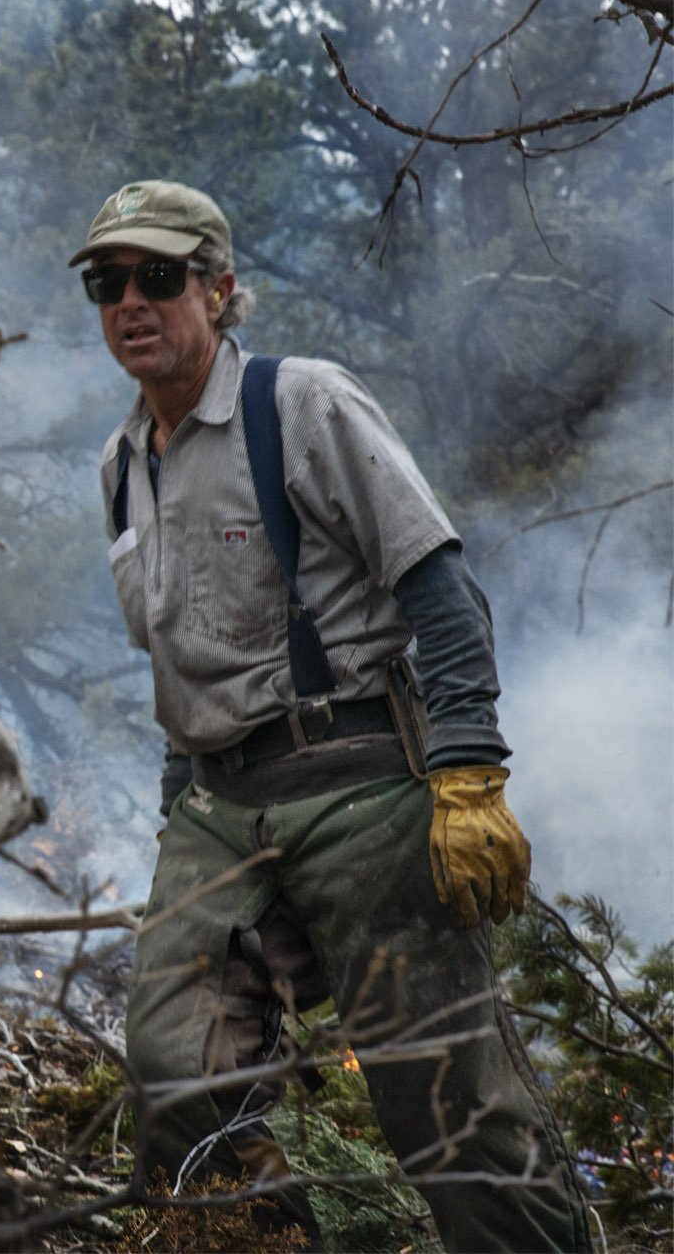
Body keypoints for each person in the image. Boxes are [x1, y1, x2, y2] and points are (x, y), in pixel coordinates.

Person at [79, 180, 588, 1250]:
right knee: (174, 1070)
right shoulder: (121, 468)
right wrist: (178, 815)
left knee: (445, 1112)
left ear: (218, 290)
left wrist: (466, 768)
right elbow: (182, 666)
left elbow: (436, 583)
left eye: (158, 277)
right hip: (218, 809)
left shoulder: (299, 402)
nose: (130, 300)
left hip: (361, 790)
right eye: (106, 282)